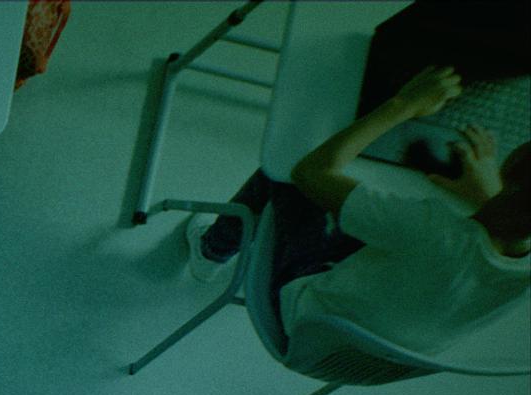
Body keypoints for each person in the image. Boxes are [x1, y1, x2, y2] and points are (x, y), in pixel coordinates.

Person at [187, 65, 531, 356]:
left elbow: (310, 172)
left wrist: (404, 104)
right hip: (374, 356)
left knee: (288, 160)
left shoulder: (432, 229)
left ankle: (211, 249)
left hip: (308, 320)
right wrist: (495, 197)